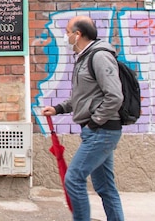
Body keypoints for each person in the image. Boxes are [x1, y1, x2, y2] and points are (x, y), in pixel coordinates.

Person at [41, 15, 125, 221]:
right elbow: (84, 96)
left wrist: (95, 122)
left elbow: (115, 96)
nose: (65, 36)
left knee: (74, 179)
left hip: (102, 131)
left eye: (68, 32)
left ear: (78, 35)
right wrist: (59, 108)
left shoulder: (99, 57)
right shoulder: (84, 57)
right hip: (98, 131)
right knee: (105, 187)